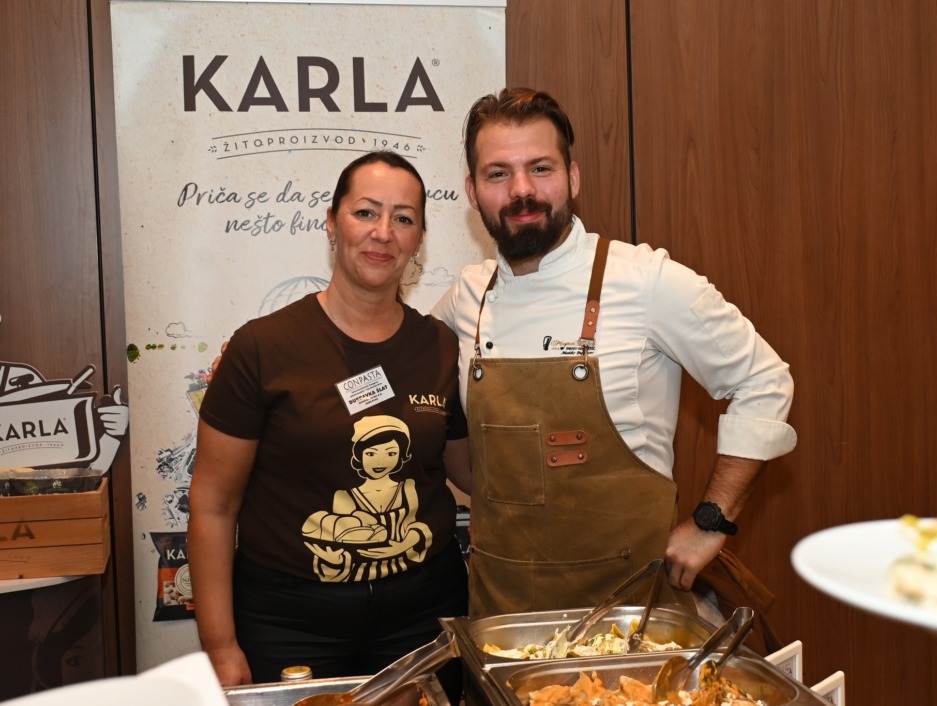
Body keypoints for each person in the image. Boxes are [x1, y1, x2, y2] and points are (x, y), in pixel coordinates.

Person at [429, 87, 797, 616]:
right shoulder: (468, 295)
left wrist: (712, 521)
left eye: (541, 168)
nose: (521, 190)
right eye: (498, 174)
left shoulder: (647, 280)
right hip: (502, 617)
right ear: (472, 190)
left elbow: (763, 380)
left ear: (573, 178)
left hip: (631, 616)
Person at [188, 151, 470, 694]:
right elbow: (213, 505)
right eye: (366, 212)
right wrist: (219, 645)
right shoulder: (262, 348)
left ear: (418, 240)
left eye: (403, 218)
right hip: (290, 622)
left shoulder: (438, 345)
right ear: (332, 223)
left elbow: (469, 471)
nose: (383, 232)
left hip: (422, 613)